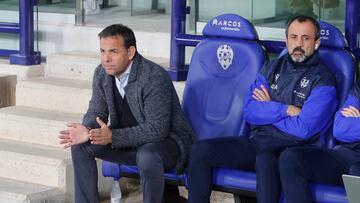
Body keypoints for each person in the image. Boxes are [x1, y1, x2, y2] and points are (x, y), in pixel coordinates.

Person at [187, 15, 338, 203]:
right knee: (201, 150)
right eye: (293, 37)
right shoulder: (272, 67)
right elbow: (250, 112)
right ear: (286, 40)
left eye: (305, 38)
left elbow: (304, 128)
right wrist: (285, 110)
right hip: (256, 142)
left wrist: (267, 109)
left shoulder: (323, 80)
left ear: (316, 43)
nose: (298, 43)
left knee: (266, 160)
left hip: (291, 149)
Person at [58, 24, 194, 203]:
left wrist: (113, 136)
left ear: (130, 52)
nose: (106, 58)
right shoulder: (102, 73)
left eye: (113, 51)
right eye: (102, 51)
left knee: (147, 155)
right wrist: (87, 130)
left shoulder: (153, 77)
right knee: (80, 145)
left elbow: (157, 130)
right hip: (128, 143)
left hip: (168, 145)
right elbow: (96, 112)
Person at [279, 79, 360, 203]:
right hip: (346, 154)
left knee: (356, 171)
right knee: (290, 158)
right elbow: (339, 129)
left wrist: (355, 121)